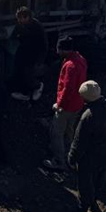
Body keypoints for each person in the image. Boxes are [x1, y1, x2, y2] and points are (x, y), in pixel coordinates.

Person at [68, 81, 106, 212]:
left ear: (85, 99)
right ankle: (94, 202)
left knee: (85, 183)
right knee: (99, 179)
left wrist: (71, 158)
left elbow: (78, 142)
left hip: (90, 158)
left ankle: (83, 208)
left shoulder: (89, 116)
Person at [43, 36, 87, 171]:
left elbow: (67, 89)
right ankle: (70, 156)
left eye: (58, 48)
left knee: (56, 132)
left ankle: (59, 160)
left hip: (67, 105)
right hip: (78, 103)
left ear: (63, 49)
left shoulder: (69, 66)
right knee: (70, 130)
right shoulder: (81, 59)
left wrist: (59, 105)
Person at [11, 7, 48, 101]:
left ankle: (38, 86)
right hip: (24, 52)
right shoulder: (22, 25)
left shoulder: (37, 27)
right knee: (20, 72)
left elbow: (43, 43)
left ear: (27, 17)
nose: (19, 21)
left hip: (33, 54)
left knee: (28, 74)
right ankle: (24, 92)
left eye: (20, 18)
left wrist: (40, 59)